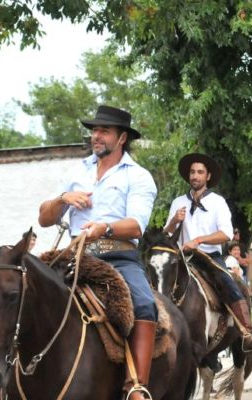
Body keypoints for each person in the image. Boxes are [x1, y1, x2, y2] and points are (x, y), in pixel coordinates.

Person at [38, 105, 157, 400]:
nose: (96, 136)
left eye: (104, 131)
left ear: (122, 138)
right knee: (27, 292)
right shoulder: (77, 171)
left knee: (144, 304)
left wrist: (103, 228)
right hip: (74, 256)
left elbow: (136, 226)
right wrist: (63, 198)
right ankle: (10, 373)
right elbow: (44, 218)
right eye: (94, 130)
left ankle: (137, 386)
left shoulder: (138, 176)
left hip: (117, 256)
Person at [162, 153, 252, 350]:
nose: (195, 176)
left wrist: (199, 240)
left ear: (208, 176)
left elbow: (226, 234)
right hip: (182, 259)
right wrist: (174, 221)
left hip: (208, 257)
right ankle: (157, 326)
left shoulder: (217, 202)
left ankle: (246, 331)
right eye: (192, 172)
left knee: (229, 283)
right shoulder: (178, 202)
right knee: (158, 280)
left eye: (200, 172)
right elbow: (166, 233)